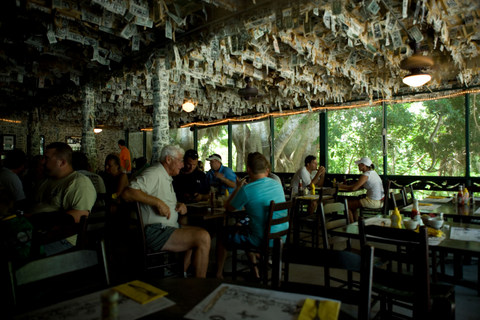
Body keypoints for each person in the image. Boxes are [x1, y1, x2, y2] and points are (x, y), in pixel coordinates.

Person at [121, 145, 211, 278]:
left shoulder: (165, 175)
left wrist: (178, 204)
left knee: (201, 233)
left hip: (165, 228)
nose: (182, 165)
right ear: (168, 160)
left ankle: (183, 278)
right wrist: (157, 203)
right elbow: (127, 193)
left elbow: (160, 196)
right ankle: (198, 288)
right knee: (203, 237)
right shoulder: (155, 172)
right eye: (180, 161)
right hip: (155, 231)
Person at [216, 152, 288, 279]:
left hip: (262, 240)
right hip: (281, 237)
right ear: (266, 169)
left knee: (222, 234)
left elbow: (229, 207)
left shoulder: (247, 189)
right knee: (248, 229)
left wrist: (238, 187)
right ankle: (255, 272)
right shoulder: (277, 184)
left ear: (248, 169)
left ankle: (218, 274)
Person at [27, 142, 97, 255]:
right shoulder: (46, 181)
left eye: (46, 158)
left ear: (62, 162)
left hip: (60, 239)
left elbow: (80, 216)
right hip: (34, 234)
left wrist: (35, 219)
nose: (42, 162)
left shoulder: (78, 182)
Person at [337, 157, 384, 222]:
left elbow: (353, 188)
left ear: (364, 165)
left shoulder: (366, 174)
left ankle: (351, 226)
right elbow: (360, 185)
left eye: (359, 164)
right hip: (380, 201)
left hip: (373, 202)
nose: (358, 165)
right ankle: (356, 223)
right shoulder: (373, 173)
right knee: (353, 204)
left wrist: (340, 185)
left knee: (346, 205)